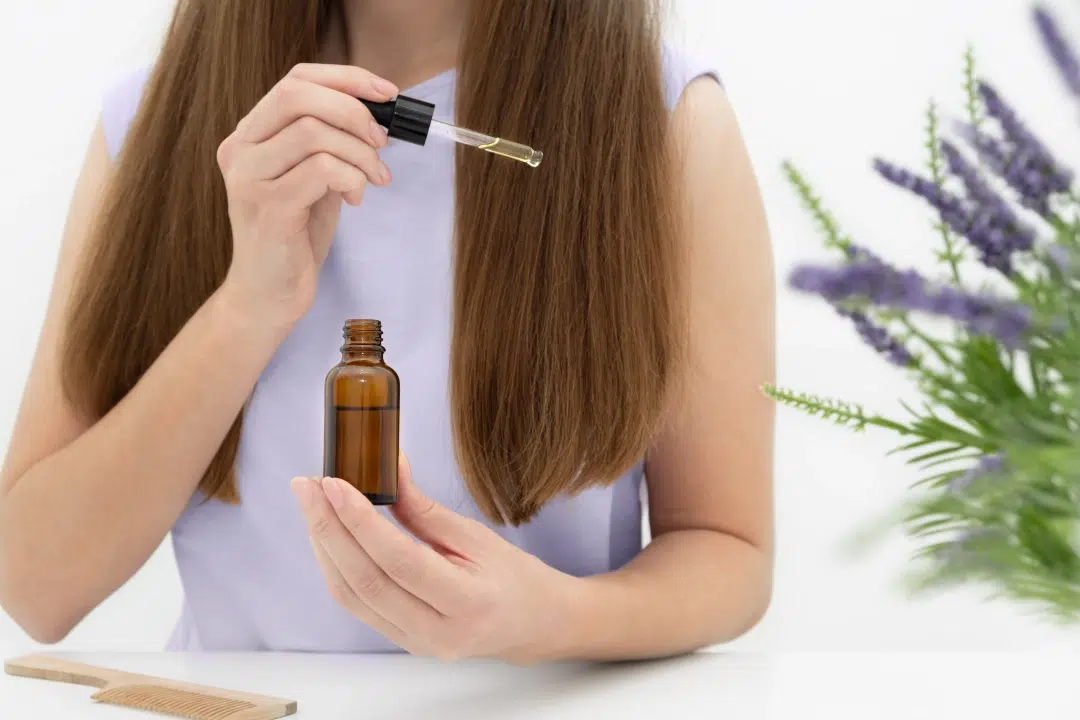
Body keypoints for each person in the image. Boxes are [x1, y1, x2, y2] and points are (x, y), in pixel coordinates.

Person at [0, 0, 775, 664]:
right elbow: (35, 584)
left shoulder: (665, 121)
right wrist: (249, 303)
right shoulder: (150, 127)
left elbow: (726, 551)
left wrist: (553, 621)